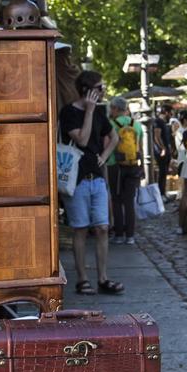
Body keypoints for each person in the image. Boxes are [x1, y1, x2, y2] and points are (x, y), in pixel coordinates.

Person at [59, 70, 122, 293]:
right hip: (76, 180)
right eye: (100, 88)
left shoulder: (100, 113)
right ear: (87, 90)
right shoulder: (69, 112)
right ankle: (82, 279)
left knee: (103, 227)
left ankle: (103, 278)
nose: (103, 92)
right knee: (80, 229)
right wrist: (89, 111)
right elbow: (83, 139)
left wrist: (103, 157)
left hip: (96, 179)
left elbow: (114, 137)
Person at [107, 96, 142, 245]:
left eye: (111, 108)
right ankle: (130, 236)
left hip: (115, 165)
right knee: (129, 201)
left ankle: (119, 235)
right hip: (133, 165)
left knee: (116, 200)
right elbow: (139, 145)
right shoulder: (137, 125)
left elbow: (107, 145)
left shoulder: (111, 124)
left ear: (115, 109)